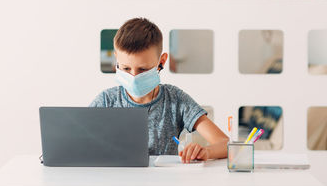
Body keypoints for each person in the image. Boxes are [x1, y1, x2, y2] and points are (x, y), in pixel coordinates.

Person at [90, 17, 228, 163]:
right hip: (117, 182)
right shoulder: (106, 101)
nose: (134, 76)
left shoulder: (176, 99)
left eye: (143, 69)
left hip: (163, 184)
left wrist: (205, 151)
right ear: (117, 59)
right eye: (125, 68)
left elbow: (224, 143)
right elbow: (80, 143)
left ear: (161, 61)